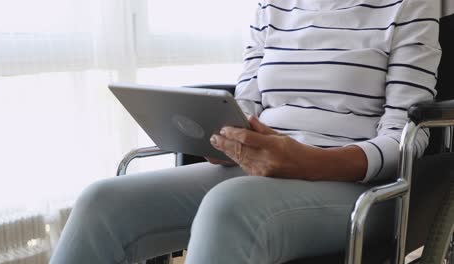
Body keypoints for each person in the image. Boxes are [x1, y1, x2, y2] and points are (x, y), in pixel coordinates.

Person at [50, 0, 442, 263]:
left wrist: (312, 162)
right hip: (259, 169)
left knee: (231, 206)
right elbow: (249, 102)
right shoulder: (273, 5)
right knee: (103, 202)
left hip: (356, 185)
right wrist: (223, 138)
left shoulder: (408, 5)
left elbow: (407, 134)